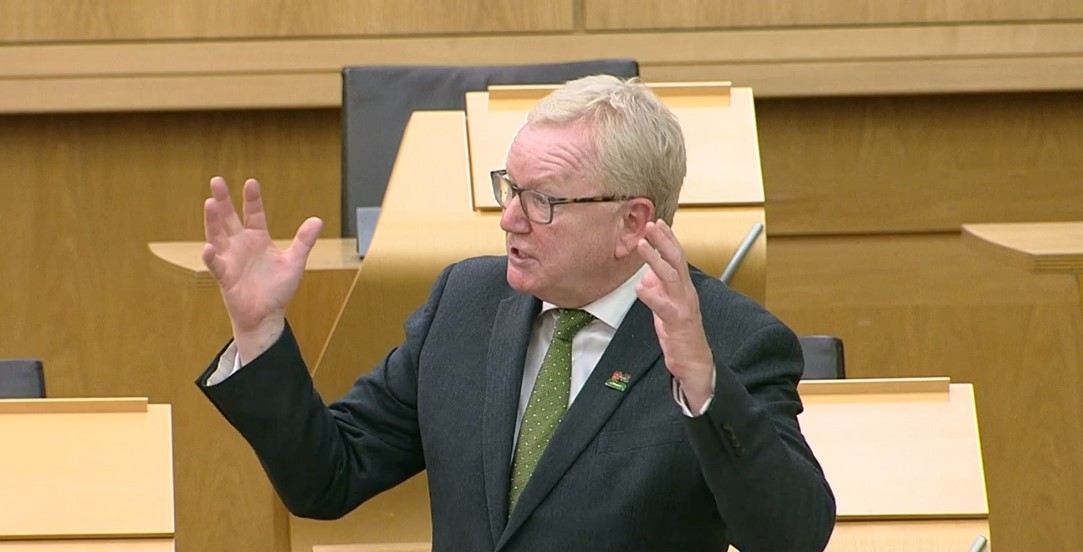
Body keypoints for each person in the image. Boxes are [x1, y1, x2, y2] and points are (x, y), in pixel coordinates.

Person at [196, 75, 835, 551]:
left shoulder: (731, 340)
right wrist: (259, 333)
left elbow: (791, 537)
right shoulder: (465, 306)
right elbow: (328, 479)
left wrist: (703, 384)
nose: (509, 219)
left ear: (632, 222)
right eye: (510, 188)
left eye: (542, 201)